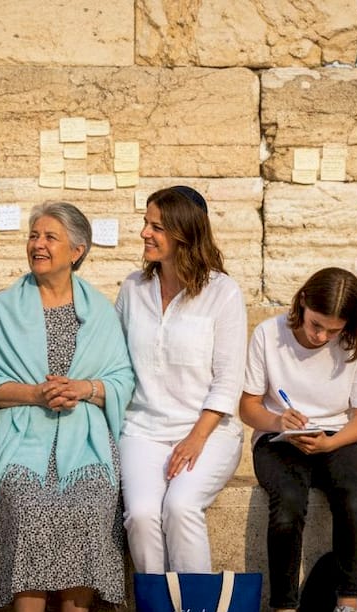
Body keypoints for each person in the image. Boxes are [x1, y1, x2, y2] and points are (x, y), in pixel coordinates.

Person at [0, 202, 134, 612]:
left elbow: (121, 378)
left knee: (90, 500)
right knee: (26, 499)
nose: (38, 244)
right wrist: (35, 394)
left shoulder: (100, 311)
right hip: (19, 434)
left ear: (77, 250)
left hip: (82, 438)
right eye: (34, 235)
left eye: (50, 237)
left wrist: (85, 388)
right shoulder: (4, 309)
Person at [238, 267, 357, 612]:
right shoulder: (268, 334)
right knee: (288, 504)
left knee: (352, 497)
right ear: (302, 302)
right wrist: (279, 421)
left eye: (332, 331)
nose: (321, 338)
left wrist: (331, 443)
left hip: (337, 438)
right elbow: (248, 408)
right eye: (317, 325)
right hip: (280, 439)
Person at [115, 185, 247, 574]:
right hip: (143, 429)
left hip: (209, 431)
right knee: (140, 515)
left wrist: (195, 437)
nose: (144, 233)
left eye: (156, 226)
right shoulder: (132, 289)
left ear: (183, 233)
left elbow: (227, 380)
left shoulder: (223, 293)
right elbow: (117, 363)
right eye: (145, 223)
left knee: (180, 506)